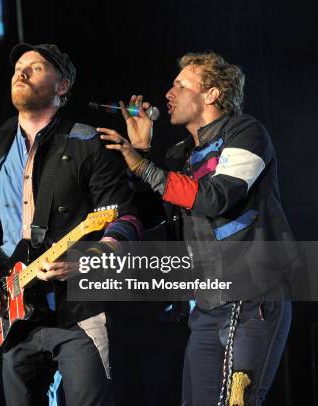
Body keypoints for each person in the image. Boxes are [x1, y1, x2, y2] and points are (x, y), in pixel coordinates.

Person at [98, 51, 293, 405]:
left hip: (252, 296)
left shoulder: (246, 131)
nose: (168, 93)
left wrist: (143, 166)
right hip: (205, 305)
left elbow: (218, 197)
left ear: (212, 94)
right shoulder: (179, 154)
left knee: (238, 401)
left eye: (180, 85)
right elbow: (149, 214)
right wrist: (141, 151)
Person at [0, 42, 142, 405]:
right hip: (16, 319)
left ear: (62, 86)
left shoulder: (86, 141)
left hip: (77, 312)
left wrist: (85, 260)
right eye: (18, 68)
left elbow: (126, 219)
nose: (21, 73)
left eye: (36, 67)